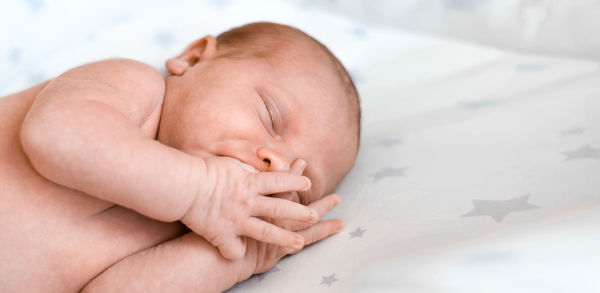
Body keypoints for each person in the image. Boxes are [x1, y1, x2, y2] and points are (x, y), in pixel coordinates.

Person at [0, 22, 360, 292]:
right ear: (193, 58)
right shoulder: (135, 89)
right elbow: (55, 135)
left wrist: (242, 256)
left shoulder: (190, 230)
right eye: (270, 115)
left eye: (300, 181)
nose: (277, 162)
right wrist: (202, 191)